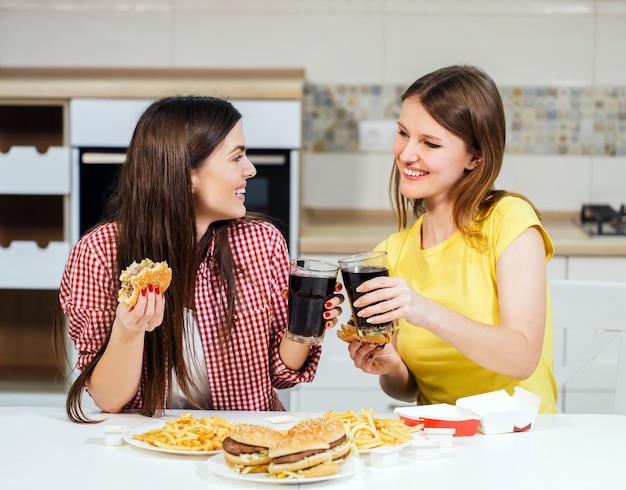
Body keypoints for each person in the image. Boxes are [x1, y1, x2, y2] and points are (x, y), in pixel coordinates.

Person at [57, 96, 343, 423]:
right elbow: (109, 400)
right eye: (236, 157)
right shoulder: (99, 253)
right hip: (145, 441)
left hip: (242, 442)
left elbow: (279, 376)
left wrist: (302, 327)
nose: (250, 169)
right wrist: (128, 330)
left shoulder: (262, 243)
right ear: (187, 174)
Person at [345, 65, 558, 413]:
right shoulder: (392, 252)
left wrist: (423, 310)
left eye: (430, 143)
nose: (406, 153)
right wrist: (389, 363)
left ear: (475, 157)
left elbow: (522, 357)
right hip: (438, 442)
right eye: (403, 133)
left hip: (520, 437)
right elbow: (406, 389)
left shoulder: (509, 220)